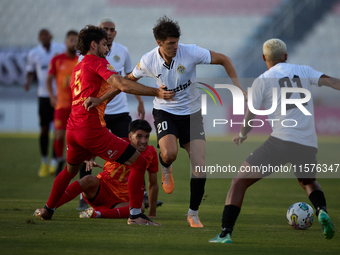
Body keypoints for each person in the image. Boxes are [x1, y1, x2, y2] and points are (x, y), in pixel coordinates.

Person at [33, 25, 174, 225]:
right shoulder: (97, 62)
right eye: (104, 45)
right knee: (139, 162)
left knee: (69, 171)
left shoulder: (78, 67)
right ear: (94, 44)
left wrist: (102, 99)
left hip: (73, 129)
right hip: (91, 129)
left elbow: (118, 84)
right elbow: (123, 85)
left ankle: (48, 209)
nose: (107, 49)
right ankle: (135, 216)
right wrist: (156, 92)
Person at [209, 38, 338, 243]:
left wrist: (243, 134)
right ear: (286, 56)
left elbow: (251, 114)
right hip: (307, 144)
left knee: (239, 182)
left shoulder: (263, 79)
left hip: (281, 141)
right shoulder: (304, 70)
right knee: (307, 181)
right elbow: (331, 82)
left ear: (263, 58)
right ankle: (321, 210)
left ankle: (225, 233)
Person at [126, 16, 246, 228]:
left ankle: (193, 213)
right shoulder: (148, 60)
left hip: (192, 114)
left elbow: (225, 59)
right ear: (159, 43)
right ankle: (166, 166)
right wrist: (107, 91)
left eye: (177, 42)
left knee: (199, 167)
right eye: (170, 43)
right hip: (165, 112)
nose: (175, 47)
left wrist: (237, 87)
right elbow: (128, 80)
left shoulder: (190, 52)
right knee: (169, 154)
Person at [76, 18, 146, 210]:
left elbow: (129, 77)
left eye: (112, 29)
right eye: (105, 29)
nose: (108, 32)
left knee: (134, 148)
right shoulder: (86, 57)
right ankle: (84, 197)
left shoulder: (122, 51)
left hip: (120, 111)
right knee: (87, 155)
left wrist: (139, 101)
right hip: (97, 112)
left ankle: (142, 194)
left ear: (116, 33)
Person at [53, 119, 160, 219]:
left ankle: (97, 214)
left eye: (147, 137)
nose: (143, 141)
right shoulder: (119, 143)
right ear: (130, 136)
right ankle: (51, 207)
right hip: (102, 189)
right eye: (139, 136)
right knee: (88, 179)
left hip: (121, 200)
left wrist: (152, 213)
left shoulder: (151, 153)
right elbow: (91, 148)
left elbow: (153, 184)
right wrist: (89, 159)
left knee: (140, 208)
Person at [25, 29, 66, 177]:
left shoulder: (60, 49)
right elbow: (30, 70)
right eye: (41, 36)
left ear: (51, 36)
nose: (43, 38)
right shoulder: (34, 53)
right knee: (43, 130)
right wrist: (28, 82)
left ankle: (54, 162)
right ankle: (44, 162)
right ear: (39, 38)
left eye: (45, 35)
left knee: (58, 131)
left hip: (60, 96)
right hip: (43, 96)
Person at [46, 30, 79, 177]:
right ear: (65, 42)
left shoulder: (80, 60)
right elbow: (48, 79)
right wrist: (52, 96)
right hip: (61, 104)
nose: (73, 43)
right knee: (59, 135)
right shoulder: (57, 59)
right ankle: (58, 160)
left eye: (76, 41)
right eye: (71, 40)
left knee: (76, 137)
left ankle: (74, 163)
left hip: (77, 105)